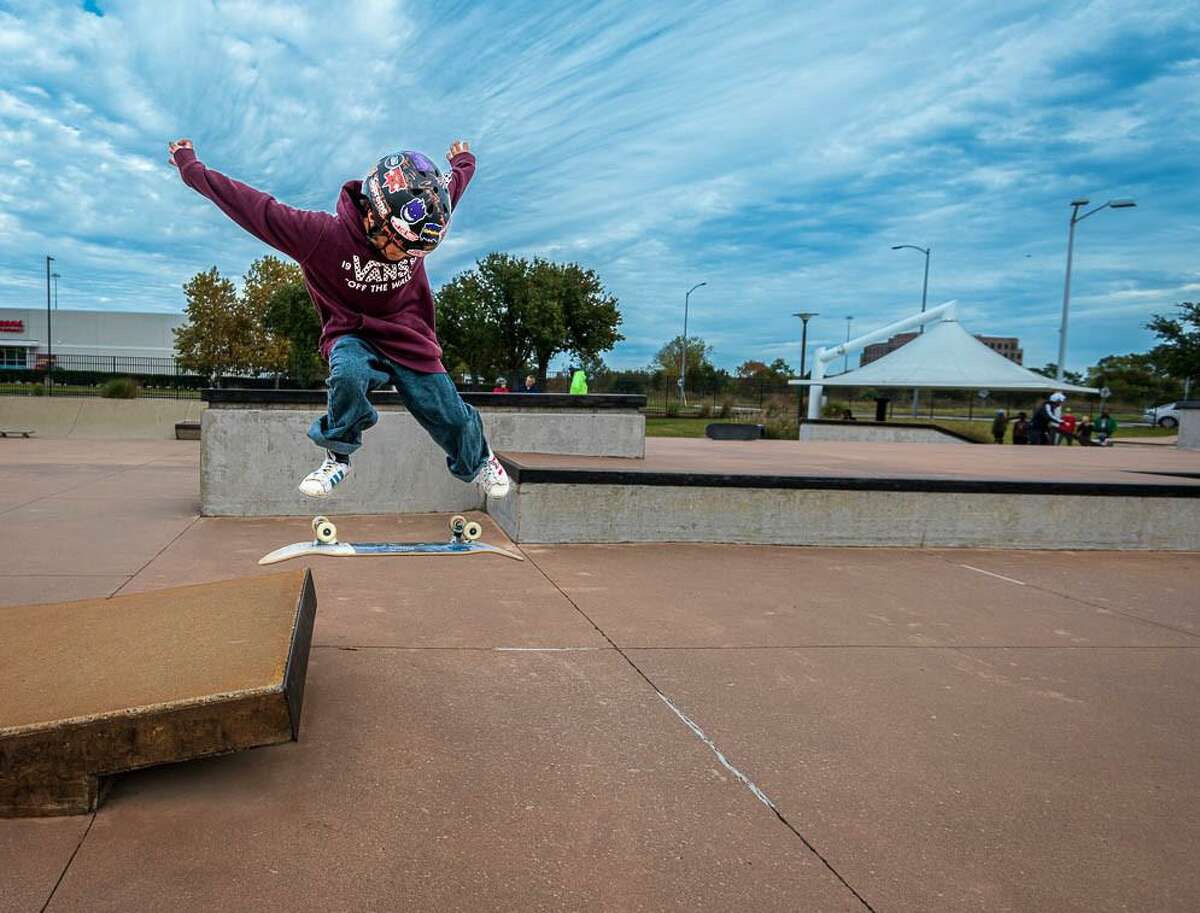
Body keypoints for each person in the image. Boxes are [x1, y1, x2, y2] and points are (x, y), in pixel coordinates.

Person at [168, 138, 510, 500]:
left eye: (414, 252)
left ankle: (480, 461)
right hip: (353, 332)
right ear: (373, 215)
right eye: (398, 245)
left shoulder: (421, 217)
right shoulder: (318, 236)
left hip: (408, 333)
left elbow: (453, 185)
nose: (403, 255)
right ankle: (338, 455)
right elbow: (256, 209)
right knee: (348, 373)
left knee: (447, 411)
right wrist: (192, 169)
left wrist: (464, 161)